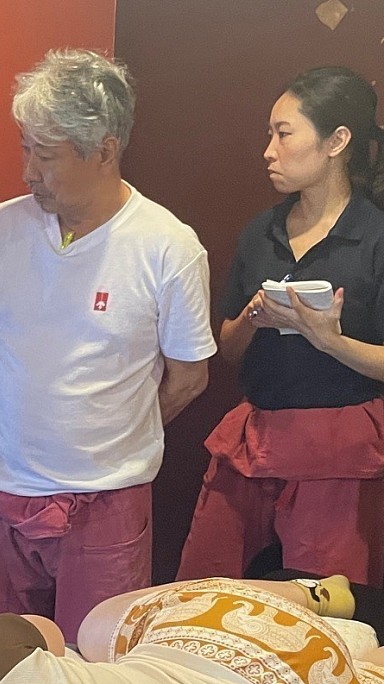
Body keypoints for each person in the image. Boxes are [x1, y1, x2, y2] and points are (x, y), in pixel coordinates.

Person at [0, 48, 217, 641]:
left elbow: (189, 377)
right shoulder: (0, 228)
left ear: (104, 149)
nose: (28, 171)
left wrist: (113, 427)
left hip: (107, 501)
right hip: (3, 486)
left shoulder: (167, 245)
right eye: (25, 148)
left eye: (45, 155)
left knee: (95, 662)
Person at [177, 66, 384, 587]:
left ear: (337, 141)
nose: (269, 151)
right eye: (269, 134)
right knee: (206, 582)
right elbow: (227, 349)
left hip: (338, 444)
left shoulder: (375, 235)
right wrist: (254, 314)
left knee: (323, 600)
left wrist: (329, 340)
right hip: (256, 434)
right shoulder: (260, 232)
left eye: (284, 134)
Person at [0, 575, 384, 684]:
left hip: (320, 669)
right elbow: (44, 630)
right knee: (93, 627)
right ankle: (312, 594)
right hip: (225, 628)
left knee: (363, 655)